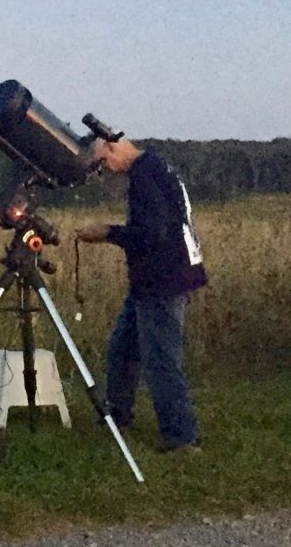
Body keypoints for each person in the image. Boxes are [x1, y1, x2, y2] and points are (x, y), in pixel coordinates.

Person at [76, 134, 207, 452]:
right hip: (152, 280)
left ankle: (181, 438)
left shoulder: (145, 174)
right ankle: (115, 417)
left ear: (111, 146)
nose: (107, 170)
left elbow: (152, 234)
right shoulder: (156, 166)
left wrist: (108, 232)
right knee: (122, 351)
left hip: (163, 281)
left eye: (103, 163)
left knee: (161, 360)